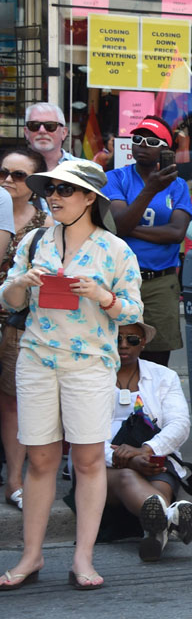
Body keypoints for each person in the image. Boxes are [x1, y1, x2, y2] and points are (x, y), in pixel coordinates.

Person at [0, 159, 143, 591]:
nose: (54, 197)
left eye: (65, 190)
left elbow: (134, 311)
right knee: (40, 460)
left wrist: (101, 295)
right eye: (51, 190)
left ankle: (83, 557)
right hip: (37, 361)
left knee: (86, 460)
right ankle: (32, 554)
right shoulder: (35, 240)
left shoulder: (117, 250)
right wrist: (22, 281)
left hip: (90, 367)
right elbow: (8, 298)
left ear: (89, 199)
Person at [96, 320, 192, 562]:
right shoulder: (91, 377)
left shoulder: (164, 376)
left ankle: (158, 531)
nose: (123, 345)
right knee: (127, 475)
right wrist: (126, 459)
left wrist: (145, 450)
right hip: (101, 463)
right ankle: (171, 521)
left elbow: (180, 424)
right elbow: (82, 434)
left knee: (160, 477)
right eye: (116, 338)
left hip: (152, 457)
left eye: (131, 339)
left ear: (143, 343)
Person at [103, 116, 192, 368]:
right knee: (116, 353)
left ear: (166, 149)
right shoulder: (115, 178)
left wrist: (128, 228)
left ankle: (149, 407)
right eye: (137, 139)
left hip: (160, 281)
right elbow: (118, 224)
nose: (142, 145)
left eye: (151, 141)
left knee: (156, 359)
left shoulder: (178, 185)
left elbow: (176, 233)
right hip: (118, 278)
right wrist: (149, 191)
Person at [0, 147, 48, 511]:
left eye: (18, 175)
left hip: (21, 320)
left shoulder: (46, 224)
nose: (8, 180)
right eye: (4, 172)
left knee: (15, 400)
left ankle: (15, 478)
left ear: (33, 184)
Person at [24, 103, 78, 172]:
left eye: (50, 125)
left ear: (64, 133)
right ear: (26, 132)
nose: (42, 131)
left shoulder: (86, 171)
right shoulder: (13, 169)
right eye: (34, 125)